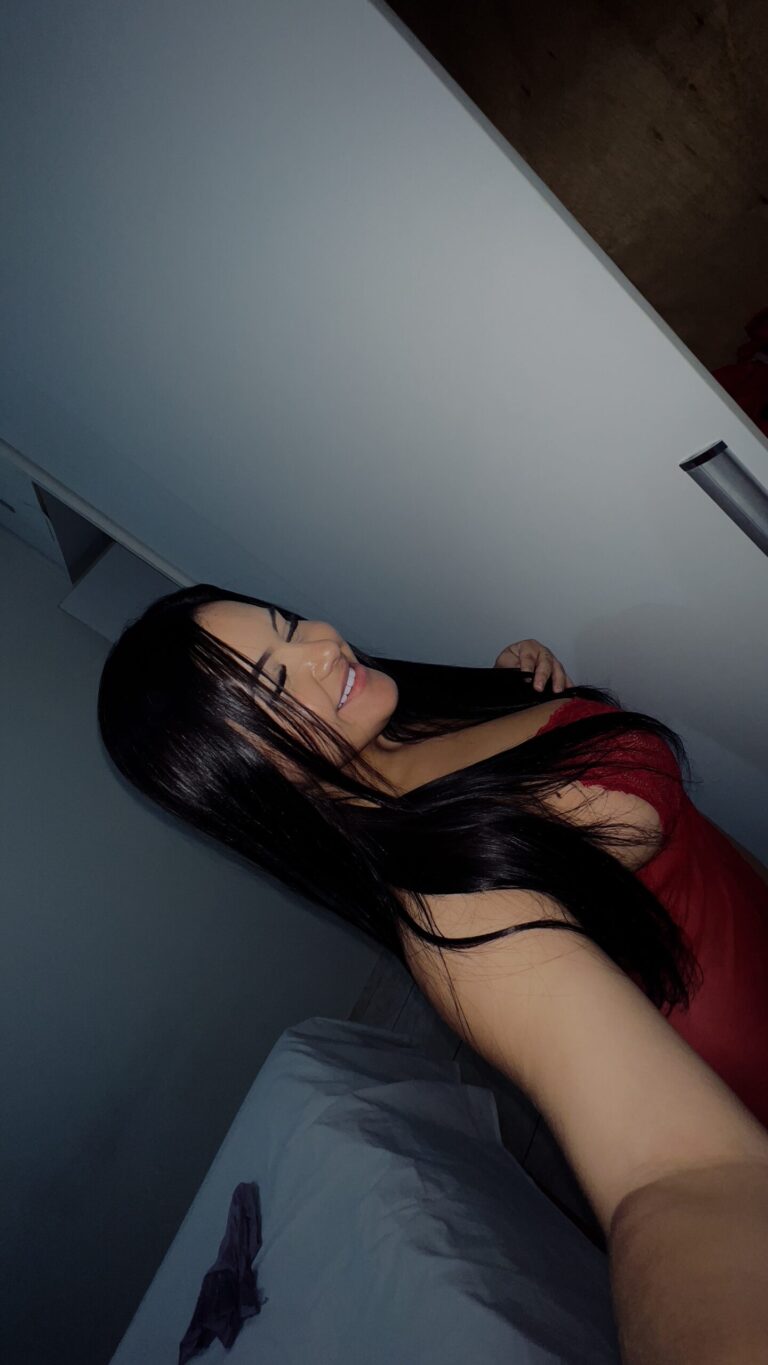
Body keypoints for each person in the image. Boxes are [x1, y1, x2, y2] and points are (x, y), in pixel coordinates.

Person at [98, 583, 768, 1364]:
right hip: (737, 1046)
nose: (322, 648)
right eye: (277, 685)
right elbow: (671, 1176)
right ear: (251, 777)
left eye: (288, 625)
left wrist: (522, 692)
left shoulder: (403, 717)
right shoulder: (450, 916)